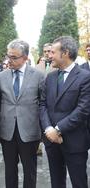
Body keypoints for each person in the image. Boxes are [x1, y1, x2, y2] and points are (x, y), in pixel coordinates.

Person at [40, 36, 90, 188]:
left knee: (79, 182)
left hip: (74, 141)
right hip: (51, 141)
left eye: (53, 52)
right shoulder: (50, 77)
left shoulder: (85, 77)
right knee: (56, 182)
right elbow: (42, 105)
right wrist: (49, 129)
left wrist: (58, 129)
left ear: (66, 53)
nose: (49, 55)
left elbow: (83, 110)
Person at [0, 39, 44, 188]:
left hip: (29, 132)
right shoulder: (0, 77)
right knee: (9, 170)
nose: (9, 60)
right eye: (8, 56)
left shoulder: (38, 76)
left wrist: (43, 131)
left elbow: (44, 104)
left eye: (14, 57)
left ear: (25, 58)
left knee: (30, 170)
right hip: (7, 131)